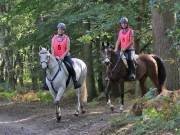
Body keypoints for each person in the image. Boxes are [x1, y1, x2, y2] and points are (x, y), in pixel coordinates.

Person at [51, 22, 81, 89]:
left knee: (70, 66)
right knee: (47, 66)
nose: (60, 30)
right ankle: (46, 83)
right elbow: (52, 48)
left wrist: (62, 56)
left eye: (61, 29)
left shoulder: (67, 38)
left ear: (64, 30)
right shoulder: (54, 38)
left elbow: (68, 49)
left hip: (65, 56)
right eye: (59, 29)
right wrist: (53, 55)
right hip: (55, 57)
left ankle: (75, 81)